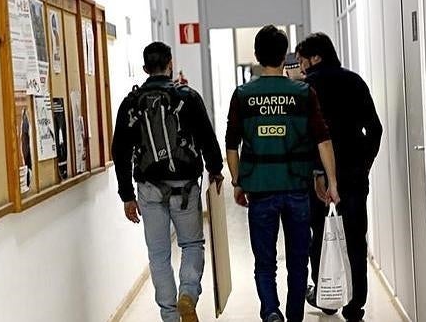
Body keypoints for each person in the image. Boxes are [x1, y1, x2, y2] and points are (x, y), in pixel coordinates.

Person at [225, 25, 341, 322]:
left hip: (260, 189)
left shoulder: (243, 94)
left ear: (257, 55)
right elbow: (323, 139)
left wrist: (238, 182)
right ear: (284, 54)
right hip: (296, 187)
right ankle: (293, 316)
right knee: (298, 261)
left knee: (265, 262)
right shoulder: (303, 92)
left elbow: (231, 145)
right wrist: (332, 183)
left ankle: (271, 312)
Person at [112, 41, 224, 322]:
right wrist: (216, 170)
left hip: (149, 189)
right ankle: (187, 293)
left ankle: (170, 316)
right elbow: (207, 138)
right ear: (170, 63)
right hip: (185, 186)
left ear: (145, 68)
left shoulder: (130, 103)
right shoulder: (188, 97)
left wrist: (127, 195)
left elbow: (120, 151)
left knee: (159, 254)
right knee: (191, 244)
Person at [295, 33, 383, 322]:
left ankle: (328, 297)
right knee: (356, 239)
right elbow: (375, 129)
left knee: (321, 236)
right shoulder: (354, 82)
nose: (301, 66)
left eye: (302, 60)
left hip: (319, 177)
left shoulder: (306, 89)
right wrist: (364, 164)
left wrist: (314, 172)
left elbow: (303, 138)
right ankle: (355, 305)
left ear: (315, 57)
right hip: (354, 175)